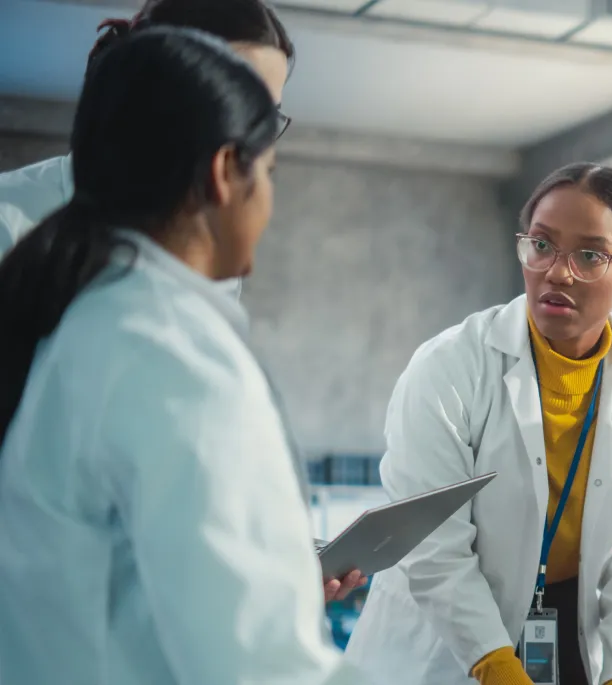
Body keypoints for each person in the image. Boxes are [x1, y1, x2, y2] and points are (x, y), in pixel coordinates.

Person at [0, 28, 366, 684]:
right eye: (270, 173)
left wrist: (271, 569)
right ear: (226, 173)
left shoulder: (92, 321)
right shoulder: (172, 353)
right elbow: (262, 668)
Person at [342, 162, 612, 685]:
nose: (557, 272)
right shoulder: (451, 367)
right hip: (435, 657)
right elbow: (433, 546)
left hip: (563, 646)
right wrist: (495, 665)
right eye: (542, 245)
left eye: (590, 256)